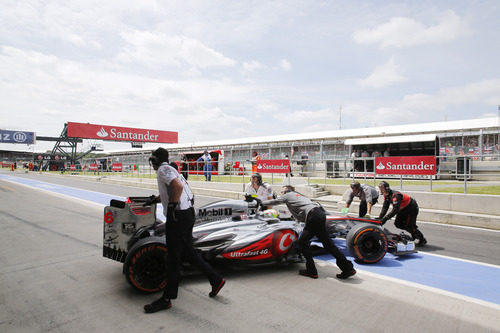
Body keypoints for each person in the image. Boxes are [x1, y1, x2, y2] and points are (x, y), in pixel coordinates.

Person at [143, 148, 225, 313]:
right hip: (187, 214)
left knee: (173, 258)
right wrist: (157, 199)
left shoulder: (162, 170)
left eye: (152, 161)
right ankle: (215, 279)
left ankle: (167, 299)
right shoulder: (172, 168)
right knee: (188, 252)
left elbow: (177, 187)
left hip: (178, 217)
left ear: (154, 161)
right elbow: (173, 189)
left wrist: (172, 206)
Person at [263, 185, 356, 280]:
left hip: (313, 216)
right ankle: (347, 268)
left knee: (302, 243)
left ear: (287, 191)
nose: (281, 194)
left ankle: (311, 271)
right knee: (328, 244)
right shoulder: (299, 196)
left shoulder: (288, 195)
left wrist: (259, 202)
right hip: (319, 214)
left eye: (282, 192)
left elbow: (274, 202)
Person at [377, 181, 427, 246]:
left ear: (387, 188)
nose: (381, 190)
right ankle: (413, 234)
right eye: (380, 188)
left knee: (410, 225)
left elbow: (395, 210)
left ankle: (422, 239)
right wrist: (380, 217)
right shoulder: (386, 195)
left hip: (411, 208)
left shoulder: (395, 195)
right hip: (402, 209)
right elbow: (385, 207)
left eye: (382, 188)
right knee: (398, 224)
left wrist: (385, 218)